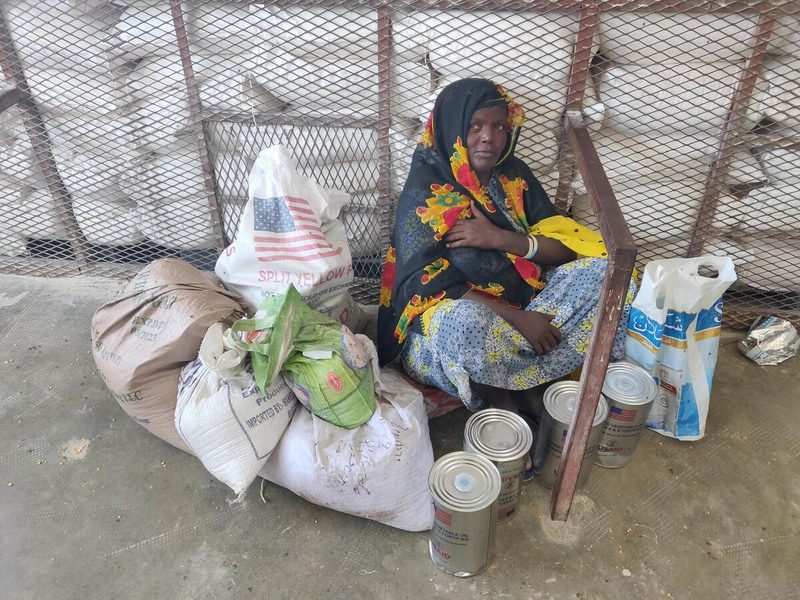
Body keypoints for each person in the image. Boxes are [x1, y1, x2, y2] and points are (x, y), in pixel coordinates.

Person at [377, 78, 635, 413]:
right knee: (464, 321)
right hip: (450, 337)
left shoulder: (513, 176)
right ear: (452, 127)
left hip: (531, 311)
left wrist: (500, 238)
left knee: (604, 274)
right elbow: (419, 287)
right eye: (475, 126)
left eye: (499, 126)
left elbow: (565, 247)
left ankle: (521, 380)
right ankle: (506, 398)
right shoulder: (428, 192)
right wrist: (518, 319)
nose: (489, 137)